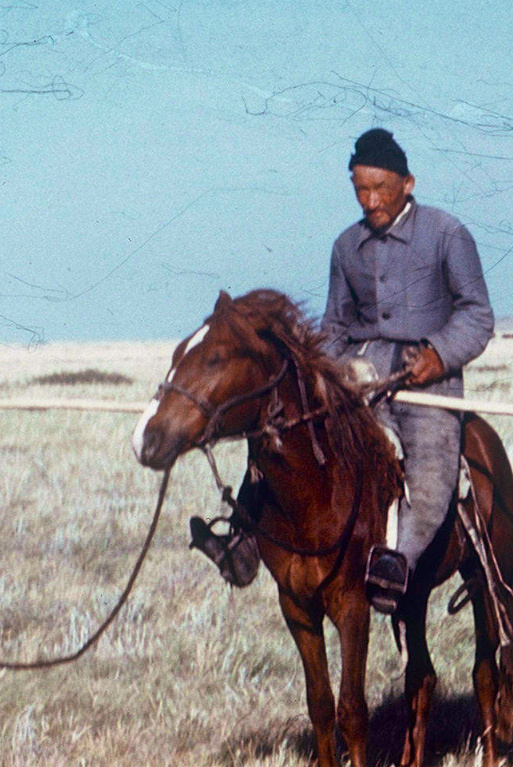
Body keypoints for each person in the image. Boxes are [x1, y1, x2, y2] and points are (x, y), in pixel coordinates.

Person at [191, 128, 494, 615]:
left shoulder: (447, 234)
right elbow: (334, 324)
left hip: (429, 387)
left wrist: (437, 354)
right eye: (361, 189)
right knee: (287, 436)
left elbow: (477, 315)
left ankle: (395, 565)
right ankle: (244, 537)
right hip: (357, 381)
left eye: (381, 189)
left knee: (432, 474)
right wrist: (336, 370)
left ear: (408, 184)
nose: (371, 200)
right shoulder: (345, 246)